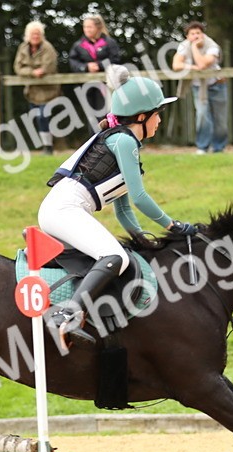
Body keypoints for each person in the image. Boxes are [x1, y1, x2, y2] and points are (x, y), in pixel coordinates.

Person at [38, 72, 194, 345]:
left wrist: (141, 238)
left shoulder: (121, 141)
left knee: (116, 255)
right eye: (158, 114)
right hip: (64, 209)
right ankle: (66, 315)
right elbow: (139, 197)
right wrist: (172, 225)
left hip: (63, 209)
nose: (160, 120)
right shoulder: (124, 141)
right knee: (114, 257)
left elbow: (123, 209)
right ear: (141, 116)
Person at [172, 21, 228, 155]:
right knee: (202, 116)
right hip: (199, 87)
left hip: (217, 85)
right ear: (187, 36)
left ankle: (219, 148)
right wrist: (192, 67)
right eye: (192, 34)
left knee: (220, 119)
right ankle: (202, 147)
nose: (196, 36)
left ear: (203, 34)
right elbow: (176, 65)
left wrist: (195, 48)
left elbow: (202, 65)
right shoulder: (183, 46)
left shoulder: (212, 45)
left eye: (198, 33)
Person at [14, 21, 60, 155]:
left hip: (48, 91)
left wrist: (31, 71)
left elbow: (48, 67)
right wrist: (32, 72)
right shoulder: (23, 48)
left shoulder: (48, 48)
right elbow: (17, 67)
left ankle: (48, 146)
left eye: (38, 34)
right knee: (37, 117)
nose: (35, 36)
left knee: (43, 116)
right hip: (32, 91)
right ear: (28, 35)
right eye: (33, 34)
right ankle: (47, 146)